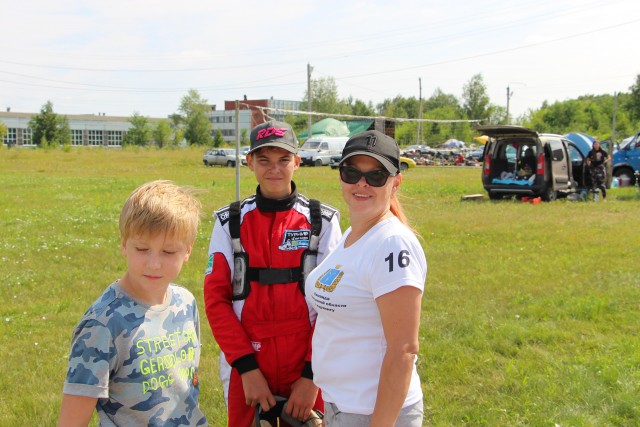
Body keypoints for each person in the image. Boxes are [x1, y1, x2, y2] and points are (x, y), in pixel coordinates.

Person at [204, 120, 342, 426]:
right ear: (249, 162)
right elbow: (215, 301)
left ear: (297, 161)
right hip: (248, 365)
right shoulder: (229, 222)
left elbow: (334, 306)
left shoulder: (323, 221)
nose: (274, 169)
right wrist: (247, 369)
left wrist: (312, 376)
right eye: (264, 160)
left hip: (308, 363)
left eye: (283, 159)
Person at [58, 180, 207, 426]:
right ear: (124, 243)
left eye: (168, 252)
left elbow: (188, 387)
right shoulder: (103, 325)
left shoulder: (185, 303)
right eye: (142, 249)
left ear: (187, 251)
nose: (154, 264)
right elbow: (72, 421)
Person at [305, 130, 427, 427]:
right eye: (352, 172)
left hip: (372, 412)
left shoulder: (392, 244)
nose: (362, 183)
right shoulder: (354, 233)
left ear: (395, 183)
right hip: (343, 404)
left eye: (376, 176)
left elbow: (403, 351)